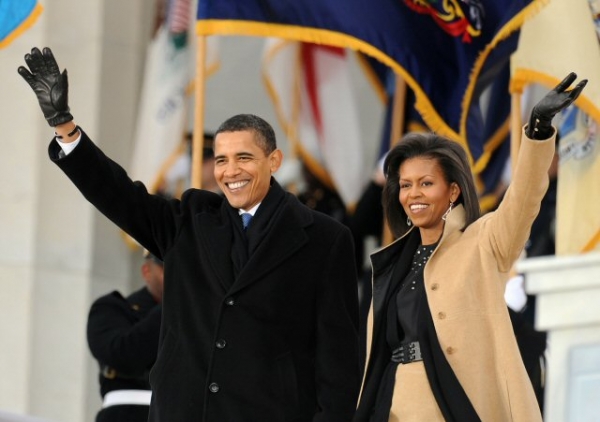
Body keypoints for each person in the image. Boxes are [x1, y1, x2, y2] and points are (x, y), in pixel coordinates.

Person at [18, 47, 361, 422]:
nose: (231, 171)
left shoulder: (326, 239)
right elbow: (117, 195)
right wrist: (65, 128)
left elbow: (339, 361)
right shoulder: (190, 221)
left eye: (244, 158)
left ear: (274, 161)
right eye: (221, 160)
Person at [353, 73, 587, 422]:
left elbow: (522, 201)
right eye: (405, 185)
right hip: (393, 404)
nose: (413, 194)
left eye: (426, 183)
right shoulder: (392, 260)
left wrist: (537, 134)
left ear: (453, 191)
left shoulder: (484, 240)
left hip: (459, 404)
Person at [87, 250, 164, 422]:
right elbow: (123, 355)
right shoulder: (112, 308)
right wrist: (176, 302)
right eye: (168, 269)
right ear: (147, 271)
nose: (177, 277)